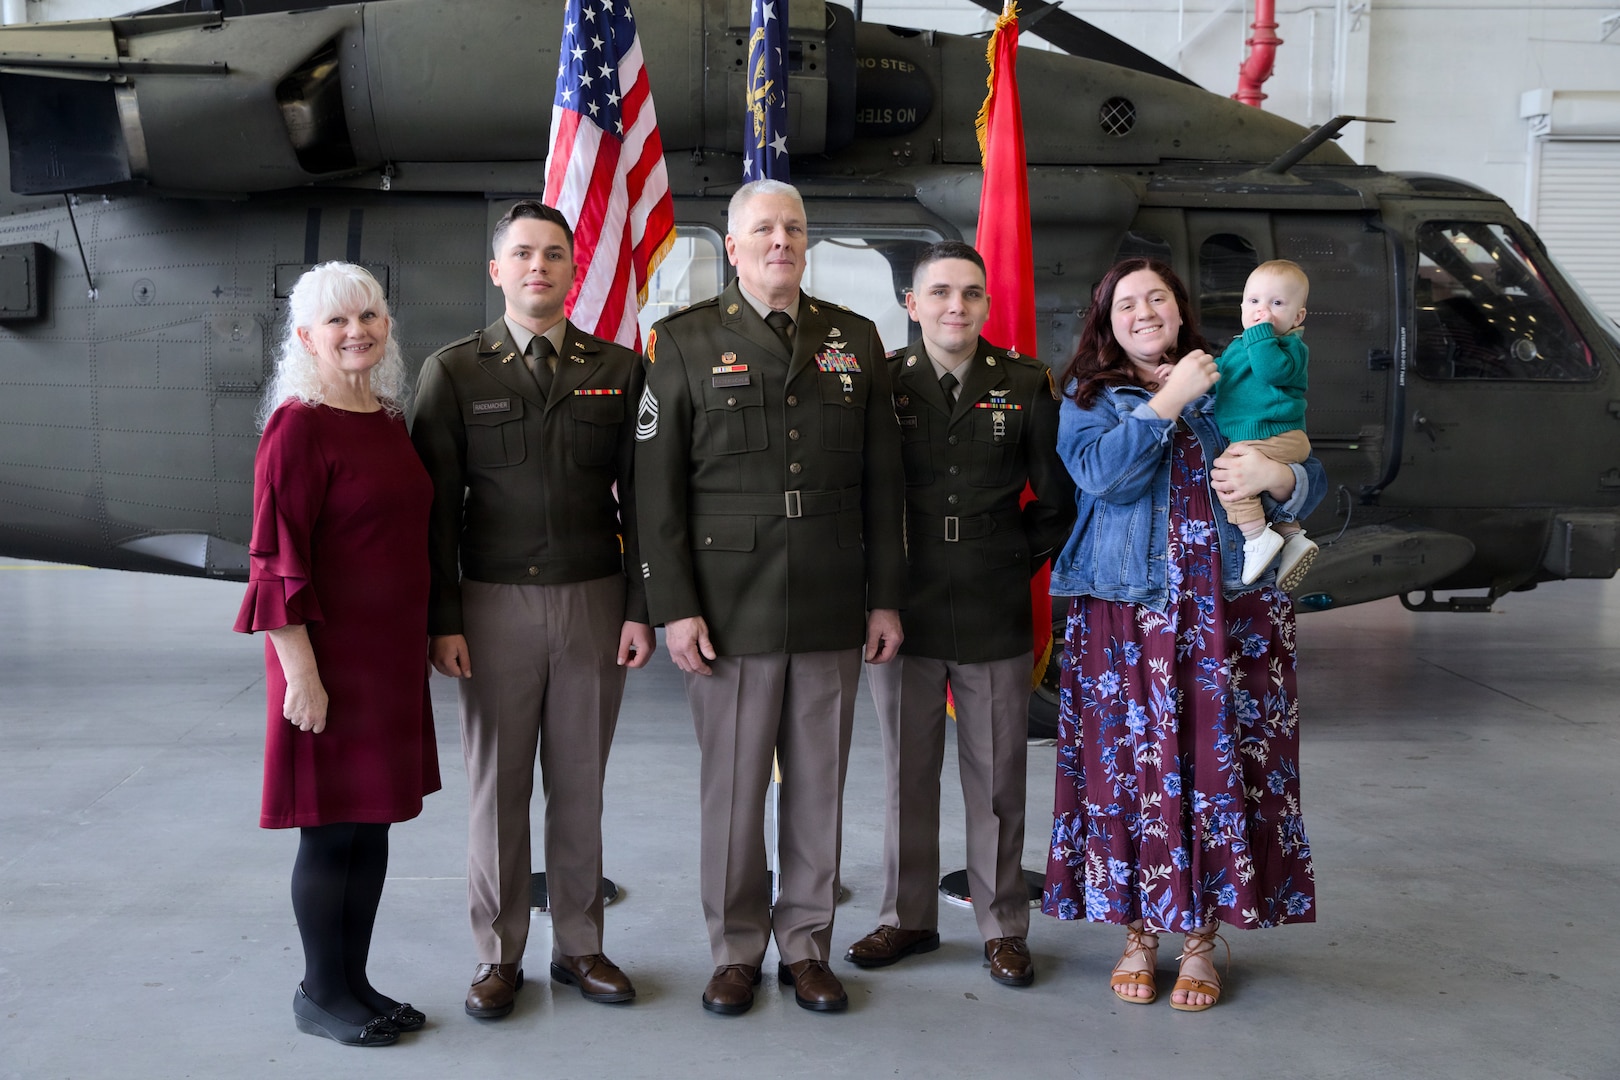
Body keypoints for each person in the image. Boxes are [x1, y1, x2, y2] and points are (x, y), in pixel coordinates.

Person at [635, 179, 907, 1015]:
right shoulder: (681, 341)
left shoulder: (854, 338)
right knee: (734, 787)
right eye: (763, 229)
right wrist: (674, 606)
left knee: (818, 784)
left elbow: (882, 483)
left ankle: (806, 945)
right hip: (728, 605)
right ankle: (735, 950)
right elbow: (657, 492)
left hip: (828, 594)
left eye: (793, 227)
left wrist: (884, 597)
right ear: (733, 243)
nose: (780, 240)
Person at [1042, 258, 1323, 1011]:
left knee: (1217, 769)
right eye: (1125, 303)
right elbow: (1103, 478)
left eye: (1155, 298)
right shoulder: (1090, 398)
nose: (1143, 312)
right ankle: (1139, 933)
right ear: (1107, 321)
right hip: (1130, 619)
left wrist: (1281, 481)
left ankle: (1200, 941)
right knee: (1130, 775)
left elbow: (1308, 464)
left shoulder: (1233, 369)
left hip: (1232, 613)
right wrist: (1169, 399)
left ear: (1179, 307)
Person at [410, 201, 654, 1021]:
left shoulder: (619, 370)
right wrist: (442, 617)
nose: (538, 267)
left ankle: (580, 946)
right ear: (497, 271)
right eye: (522, 254)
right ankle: (497, 955)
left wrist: (642, 607)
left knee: (580, 782)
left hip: (594, 598)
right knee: (498, 788)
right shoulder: (455, 372)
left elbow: (646, 505)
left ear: (572, 269)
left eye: (553, 254)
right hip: (490, 606)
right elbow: (434, 511)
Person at [843, 241, 1074, 987]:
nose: (956, 306)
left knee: (998, 778)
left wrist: (1011, 557)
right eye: (939, 292)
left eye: (971, 293)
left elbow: (1058, 500)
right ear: (911, 304)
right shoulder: (881, 382)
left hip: (991, 601)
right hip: (900, 604)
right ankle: (906, 918)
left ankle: (1004, 925)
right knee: (908, 773)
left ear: (986, 304)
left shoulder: (1027, 382)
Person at [234, 262, 439, 1046]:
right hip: (324, 663)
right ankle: (320, 992)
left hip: (385, 665)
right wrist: (303, 676)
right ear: (306, 337)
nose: (358, 331)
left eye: (370, 315)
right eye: (338, 321)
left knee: (371, 827)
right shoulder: (299, 425)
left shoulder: (386, 417)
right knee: (328, 830)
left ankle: (355, 982)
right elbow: (275, 562)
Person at [1213, 259, 1318, 588]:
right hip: (1267, 436)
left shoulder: (1291, 347)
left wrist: (1259, 333)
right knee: (1258, 489)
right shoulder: (1239, 346)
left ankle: (1257, 537)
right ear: (1242, 305)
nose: (1263, 311)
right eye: (1254, 301)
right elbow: (1222, 375)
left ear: (1297, 317)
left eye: (1277, 303)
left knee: (1229, 476)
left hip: (1277, 434)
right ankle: (1291, 536)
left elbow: (1270, 370)